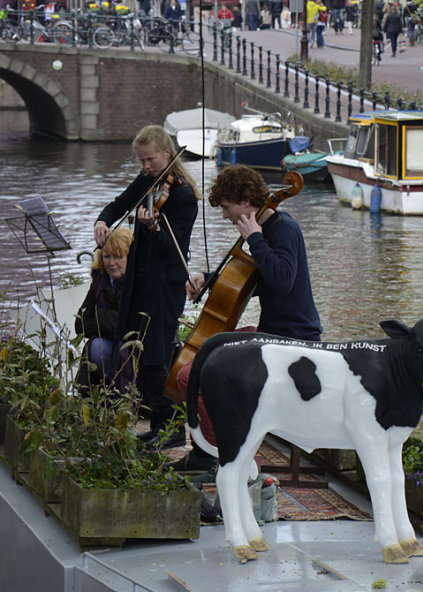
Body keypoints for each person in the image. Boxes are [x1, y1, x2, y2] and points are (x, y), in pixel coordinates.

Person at [171, 164, 322, 473]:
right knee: (203, 359)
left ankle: (218, 453)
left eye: (227, 207)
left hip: (293, 340)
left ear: (245, 200)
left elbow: (282, 280)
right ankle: (209, 451)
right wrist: (207, 278)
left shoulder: (284, 230)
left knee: (191, 376)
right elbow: (255, 280)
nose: (225, 215)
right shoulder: (265, 232)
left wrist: (255, 238)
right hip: (271, 333)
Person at [94, 125, 200, 449]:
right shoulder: (147, 183)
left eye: (150, 160)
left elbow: (176, 250)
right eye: (141, 161)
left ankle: (170, 430)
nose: (146, 167)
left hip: (164, 287)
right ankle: (157, 425)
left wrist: (153, 229)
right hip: (139, 281)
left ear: (167, 153)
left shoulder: (183, 197)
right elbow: (119, 204)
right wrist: (102, 220)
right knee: (135, 349)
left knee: (156, 357)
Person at [75, 228, 134, 395]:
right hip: (107, 348)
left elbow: (128, 326)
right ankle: (108, 393)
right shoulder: (99, 281)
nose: (111, 263)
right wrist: (109, 322)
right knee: (96, 346)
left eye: (118, 256)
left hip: (131, 351)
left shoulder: (136, 282)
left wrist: (100, 316)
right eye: (107, 256)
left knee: (118, 347)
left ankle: (125, 394)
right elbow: (80, 324)